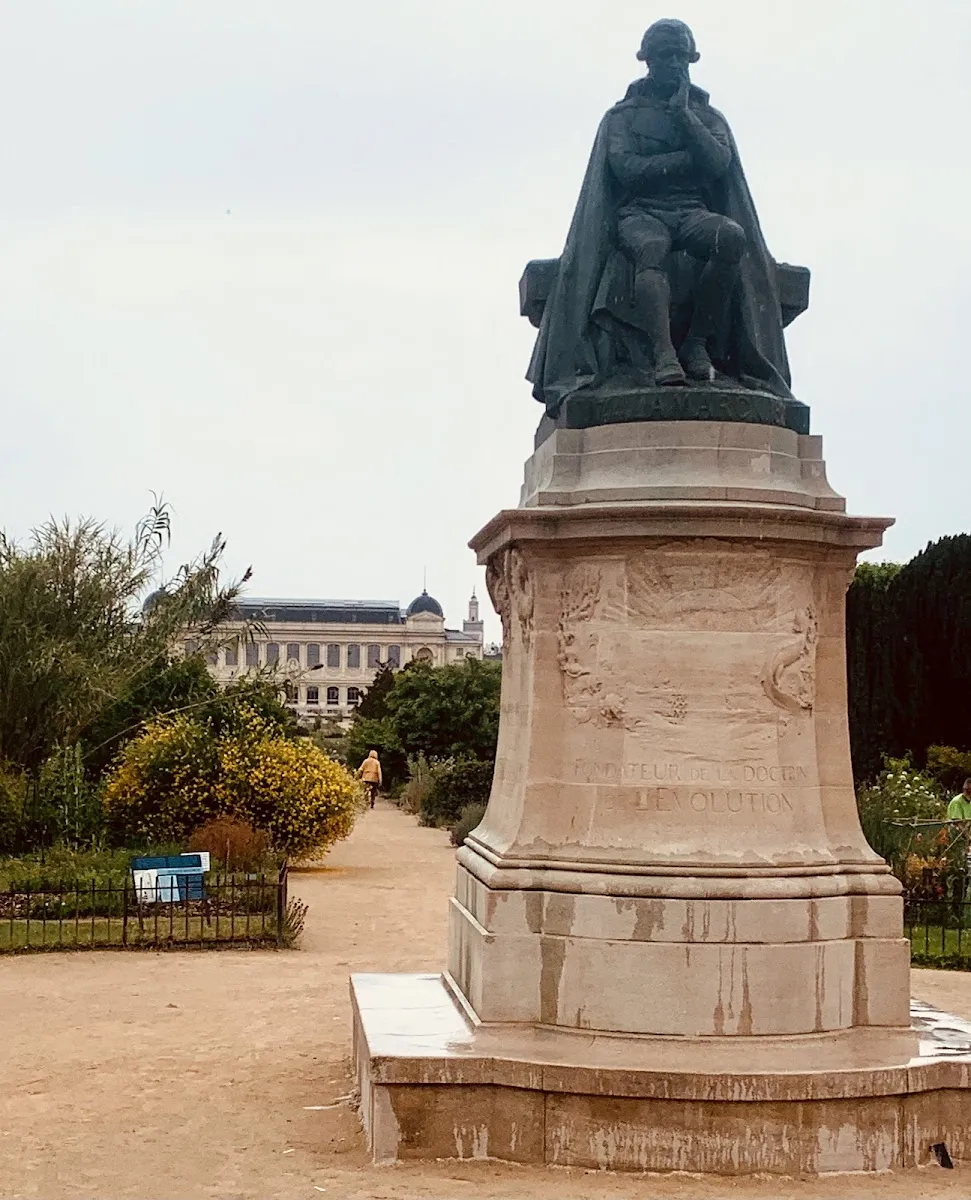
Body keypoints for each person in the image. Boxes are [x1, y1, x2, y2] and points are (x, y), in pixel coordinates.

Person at [527, 18, 792, 412]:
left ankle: (696, 344)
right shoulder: (622, 117)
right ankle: (663, 352)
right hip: (641, 214)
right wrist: (688, 160)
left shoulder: (707, 117)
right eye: (665, 56)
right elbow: (627, 169)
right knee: (651, 248)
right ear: (648, 60)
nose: (674, 64)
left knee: (731, 238)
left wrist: (684, 116)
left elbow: (719, 164)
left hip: (691, 213)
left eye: (681, 57)